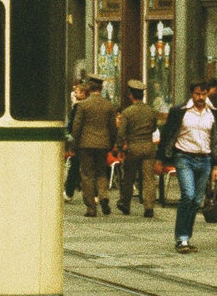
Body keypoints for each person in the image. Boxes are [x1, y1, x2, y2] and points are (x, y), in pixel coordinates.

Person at [157, 80, 217, 253]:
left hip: (205, 159)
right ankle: (181, 238)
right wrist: (160, 159)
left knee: (197, 200)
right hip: (184, 157)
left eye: (203, 94)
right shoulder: (179, 111)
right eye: (197, 94)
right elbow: (168, 134)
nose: (200, 98)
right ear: (192, 93)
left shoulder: (213, 113)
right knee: (188, 195)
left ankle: (186, 237)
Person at [70, 74, 118, 217]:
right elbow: (113, 128)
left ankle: (91, 207)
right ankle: (103, 196)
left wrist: (74, 143)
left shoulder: (83, 105)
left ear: (89, 88)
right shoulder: (108, 106)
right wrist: (111, 143)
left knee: (87, 175)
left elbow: (76, 127)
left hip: (85, 145)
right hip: (103, 144)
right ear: (101, 88)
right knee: (101, 173)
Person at [116, 79, 158, 217]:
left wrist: (121, 148)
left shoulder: (127, 112)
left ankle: (125, 204)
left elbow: (121, 133)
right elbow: (153, 128)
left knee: (129, 176)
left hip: (133, 147)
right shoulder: (151, 111)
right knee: (148, 178)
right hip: (148, 146)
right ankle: (149, 207)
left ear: (131, 95)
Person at [63, 79, 87, 201]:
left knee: (74, 167)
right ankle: (96, 195)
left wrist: (71, 142)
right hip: (91, 141)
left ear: (83, 94)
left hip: (79, 142)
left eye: (76, 92)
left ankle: (69, 192)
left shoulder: (78, 107)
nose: (74, 94)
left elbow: (74, 125)